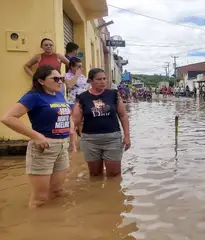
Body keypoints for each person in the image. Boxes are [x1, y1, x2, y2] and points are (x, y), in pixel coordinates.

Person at [1, 65, 73, 209]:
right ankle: (35, 227)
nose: (60, 82)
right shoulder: (34, 96)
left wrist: (71, 128)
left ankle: (55, 226)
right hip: (43, 149)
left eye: (62, 79)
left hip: (62, 147)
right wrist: (36, 136)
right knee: (39, 199)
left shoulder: (59, 94)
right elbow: (8, 118)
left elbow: (65, 112)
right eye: (56, 79)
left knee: (58, 192)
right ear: (41, 81)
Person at [72, 68, 131, 177]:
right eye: (99, 79)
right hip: (90, 141)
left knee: (114, 175)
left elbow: (123, 116)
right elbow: (75, 121)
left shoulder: (114, 95)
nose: (103, 81)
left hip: (112, 139)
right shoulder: (82, 98)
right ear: (90, 81)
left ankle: (113, 193)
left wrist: (127, 136)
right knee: (95, 174)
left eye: (104, 79)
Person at [64, 57, 89, 151]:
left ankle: (84, 145)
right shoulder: (67, 75)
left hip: (83, 103)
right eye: (78, 67)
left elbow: (87, 88)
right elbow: (70, 85)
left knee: (83, 124)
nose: (80, 69)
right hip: (73, 102)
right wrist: (76, 75)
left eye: (81, 67)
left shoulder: (83, 76)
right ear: (71, 66)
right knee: (73, 125)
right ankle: (74, 147)